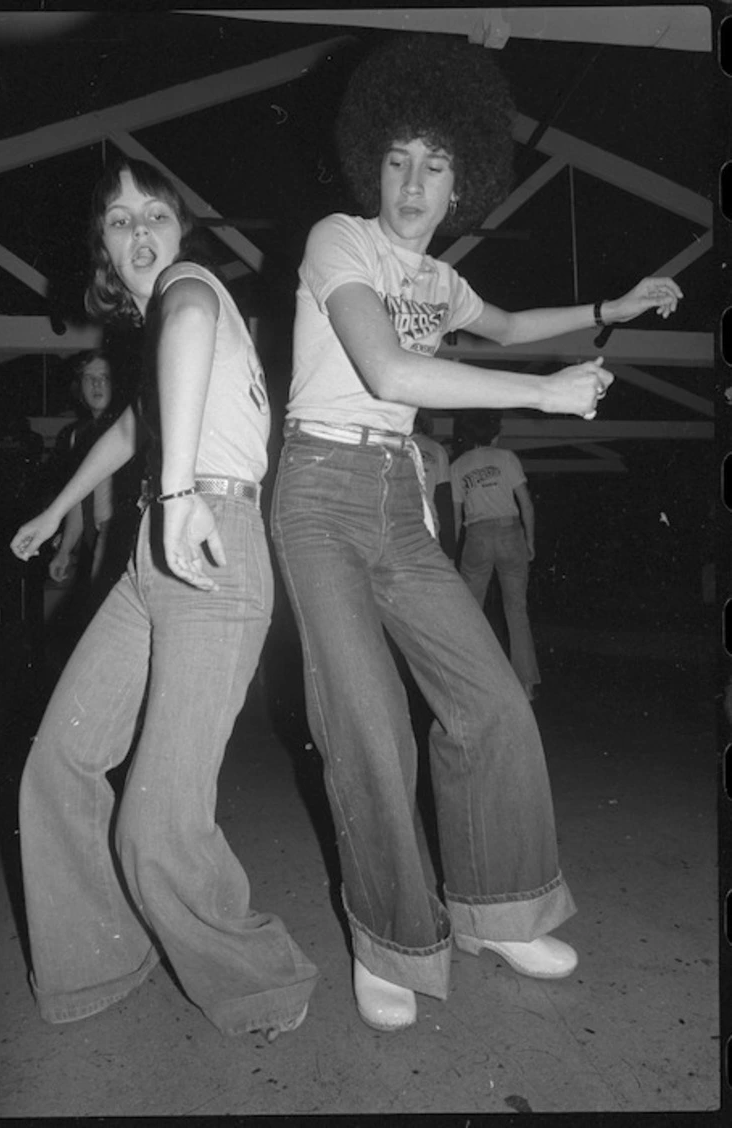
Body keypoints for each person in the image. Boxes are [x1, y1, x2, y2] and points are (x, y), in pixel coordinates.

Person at [270, 33, 682, 1032]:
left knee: (492, 700)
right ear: (371, 160)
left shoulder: (442, 281)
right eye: (398, 159)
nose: (413, 183)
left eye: (436, 163)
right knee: (365, 725)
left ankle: (496, 909)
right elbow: (390, 374)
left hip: (398, 500)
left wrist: (607, 306)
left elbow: (499, 322)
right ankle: (391, 939)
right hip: (320, 491)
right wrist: (541, 396)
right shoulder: (340, 240)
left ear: (463, 177)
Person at [10, 157, 318, 1038]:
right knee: (59, 763)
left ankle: (263, 984)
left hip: (210, 541)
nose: (138, 231)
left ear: (181, 231)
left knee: (159, 822)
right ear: (105, 249)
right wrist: (55, 508)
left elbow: (181, 316)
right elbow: (136, 428)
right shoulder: (170, 341)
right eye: (117, 221)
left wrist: (177, 494)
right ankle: (101, 961)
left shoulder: (190, 291)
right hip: (160, 547)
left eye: (153, 214)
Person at [44, 350, 143, 649]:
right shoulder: (77, 435)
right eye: (90, 378)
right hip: (95, 538)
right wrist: (64, 551)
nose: (97, 385)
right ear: (80, 386)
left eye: (105, 378)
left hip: (123, 540)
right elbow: (78, 499)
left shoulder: (131, 427)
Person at [451, 409, 540, 700]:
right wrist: (529, 541)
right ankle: (525, 684)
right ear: (494, 433)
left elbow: (456, 515)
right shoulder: (507, 458)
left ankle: (471, 681)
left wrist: (454, 551)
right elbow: (526, 504)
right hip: (509, 531)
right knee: (517, 610)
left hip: (476, 535)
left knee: (470, 611)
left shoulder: (459, 466)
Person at [411, 408, 455, 558]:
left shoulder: (396, 446)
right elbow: (443, 499)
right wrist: (449, 547)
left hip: (399, 524)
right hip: (428, 525)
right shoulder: (437, 449)